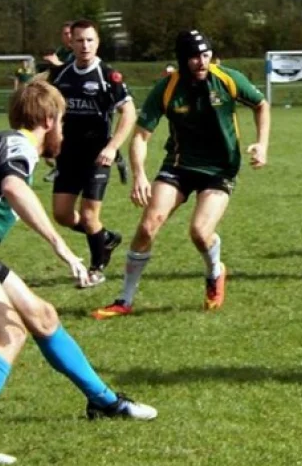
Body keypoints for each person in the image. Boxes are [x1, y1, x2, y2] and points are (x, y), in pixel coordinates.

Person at [0, 82, 155, 465]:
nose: (63, 132)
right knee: (9, 332)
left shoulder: (2, 142)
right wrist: (63, 248)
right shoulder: (18, 146)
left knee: (42, 316)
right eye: (62, 122)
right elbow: (14, 187)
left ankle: (105, 402)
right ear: (49, 120)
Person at [92, 30, 269, 318]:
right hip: (179, 166)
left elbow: (261, 105)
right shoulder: (167, 88)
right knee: (148, 226)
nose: (201, 62)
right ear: (182, 59)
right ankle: (124, 300)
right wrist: (139, 175)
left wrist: (262, 144)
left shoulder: (227, 79)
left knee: (200, 233)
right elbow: (140, 136)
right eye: (194, 57)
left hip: (220, 169)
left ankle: (215, 271)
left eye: (206, 55)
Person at [46, 20, 135, 287]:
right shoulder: (61, 76)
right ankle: (104, 237)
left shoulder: (109, 76)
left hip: (98, 156)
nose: (85, 45)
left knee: (87, 215)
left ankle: (97, 268)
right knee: (62, 215)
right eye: (79, 40)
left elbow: (128, 113)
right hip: (68, 154)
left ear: (97, 42)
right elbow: (52, 112)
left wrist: (112, 147)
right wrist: (49, 144)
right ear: (70, 43)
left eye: (90, 40)